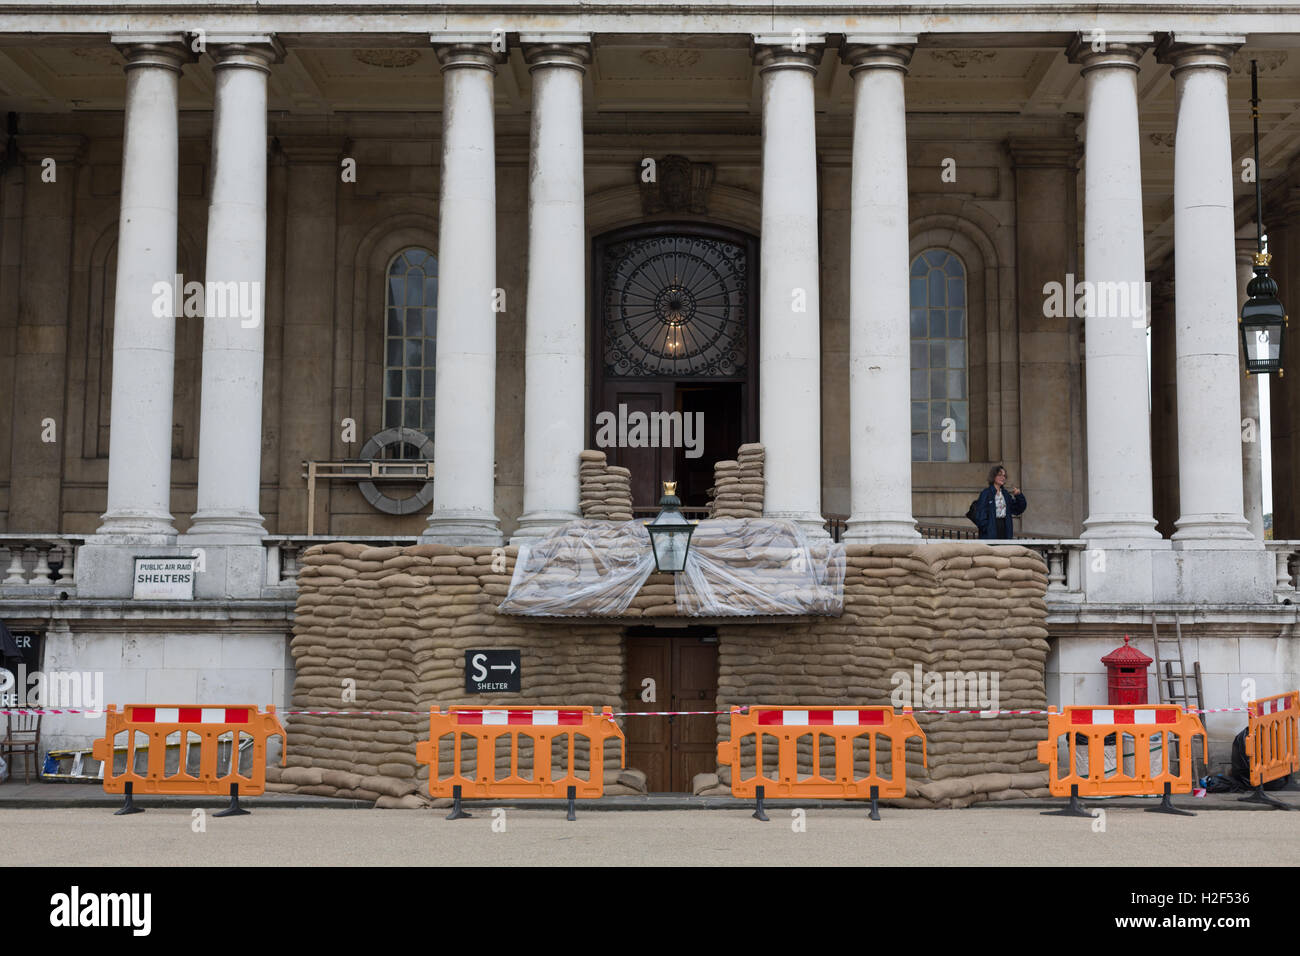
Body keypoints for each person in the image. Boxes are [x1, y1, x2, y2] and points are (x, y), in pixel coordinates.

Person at [975, 464, 1025, 540]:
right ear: (993, 476)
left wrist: (1019, 496)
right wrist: (988, 529)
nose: (1003, 477)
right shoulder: (986, 493)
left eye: (1004, 476)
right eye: (1000, 475)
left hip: (1005, 528)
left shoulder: (1005, 494)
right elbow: (981, 515)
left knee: (1004, 551)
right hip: (991, 530)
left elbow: (1018, 509)